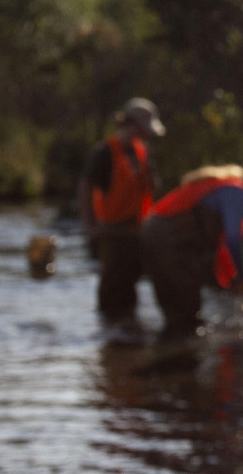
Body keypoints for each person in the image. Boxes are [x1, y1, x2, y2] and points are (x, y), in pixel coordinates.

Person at [140, 164, 243, 338]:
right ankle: (183, 353)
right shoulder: (237, 191)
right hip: (168, 239)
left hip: (149, 232)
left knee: (175, 311)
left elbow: (222, 247)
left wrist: (232, 278)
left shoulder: (217, 188)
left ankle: (173, 351)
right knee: (187, 309)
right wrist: (242, 277)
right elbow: (233, 238)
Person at [80, 97, 163, 321]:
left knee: (130, 286)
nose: (146, 135)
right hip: (112, 232)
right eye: (143, 129)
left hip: (137, 231)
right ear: (130, 124)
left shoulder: (141, 151)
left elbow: (149, 188)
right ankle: (109, 338)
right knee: (112, 287)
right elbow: (85, 188)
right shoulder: (104, 152)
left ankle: (126, 335)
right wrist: (89, 225)